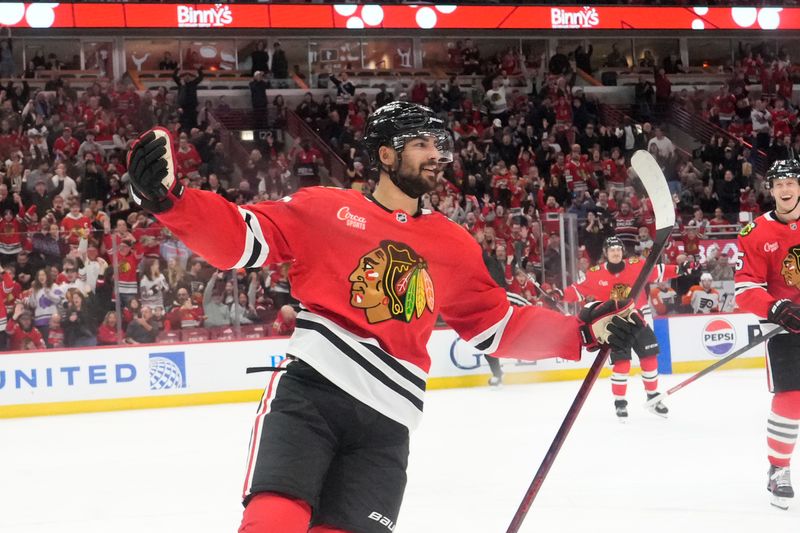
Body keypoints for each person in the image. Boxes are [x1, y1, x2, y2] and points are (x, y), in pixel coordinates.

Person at [126, 101, 648, 533]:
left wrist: (583, 330)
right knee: (273, 522)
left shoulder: (454, 244)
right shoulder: (323, 208)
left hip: (387, 424)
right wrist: (169, 201)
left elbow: (495, 325)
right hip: (311, 396)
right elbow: (240, 239)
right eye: (421, 144)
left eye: (438, 145)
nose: (436, 155)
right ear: (385, 154)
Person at [734, 159, 800, 510]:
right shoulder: (755, 233)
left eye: (791, 182)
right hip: (783, 324)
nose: (785, 189)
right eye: (779, 184)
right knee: (792, 398)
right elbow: (745, 289)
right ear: (771, 190)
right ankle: (779, 469)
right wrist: (775, 308)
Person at [563, 236, 683, 419]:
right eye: (612, 250)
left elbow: (658, 271)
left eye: (618, 249)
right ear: (606, 253)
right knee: (622, 364)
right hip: (614, 325)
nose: (616, 252)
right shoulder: (595, 273)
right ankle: (620, 404)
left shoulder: (636, 265)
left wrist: (681, 269)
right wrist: (558, 295)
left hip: (638, 319)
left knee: (649, 358)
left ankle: (653, 398)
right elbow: (577, 290)